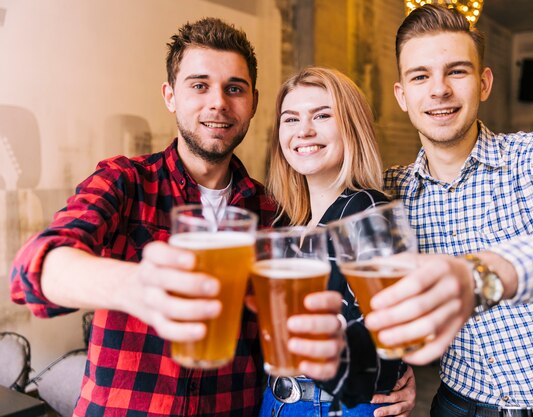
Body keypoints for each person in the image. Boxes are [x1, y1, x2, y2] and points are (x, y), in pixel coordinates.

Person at [9, 18, 346, 417]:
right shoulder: (125, 180)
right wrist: (134, 285)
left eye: (233, 88)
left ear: (252, 101)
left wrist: (381, 376)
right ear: (171, 96)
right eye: (199, 86)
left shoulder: (271, 210)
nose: (218, 102)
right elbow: (33, 271)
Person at [364, 4, 533, 416]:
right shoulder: (390, 191)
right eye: (420, 76)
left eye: (457, 71)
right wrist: (393, 372)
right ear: (402, 95)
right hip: (456, 405)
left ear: (483, 83)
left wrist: (483, 275)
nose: (439, 90)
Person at [262, 67, 416, 417]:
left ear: (352, 126)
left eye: (322, 115)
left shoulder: (370, 210)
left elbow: (388, 348)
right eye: (291, 119)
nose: (304, 130)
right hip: (275, 402)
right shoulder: (285, 220)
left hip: (335, 408)